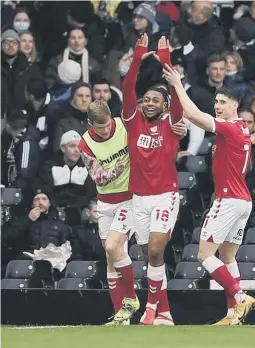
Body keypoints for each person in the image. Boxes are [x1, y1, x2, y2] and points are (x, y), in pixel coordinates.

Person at [163, 65, 255, 326]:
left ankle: (239, 297)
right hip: (242, 200)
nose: (217, 106)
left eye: (223, 102)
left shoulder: (230, 128)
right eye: (216, 101)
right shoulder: (241, 130)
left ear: (235, 105)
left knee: (204, 255)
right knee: (228, 257)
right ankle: (232, 316)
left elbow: (193, 115)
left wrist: (177, 84)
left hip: (228, 200)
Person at [122, 34, 183, 326]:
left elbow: (177, 93)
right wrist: (138, 58)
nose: (148, 103)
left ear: (165, 105)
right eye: (146, 99)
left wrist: (166, 60)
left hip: (164, 195)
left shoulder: (173, 124)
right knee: (150, 257)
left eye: (155, 100)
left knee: (157, 250)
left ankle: (150, 308)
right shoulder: (133, 121)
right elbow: (126, 90)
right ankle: (166, 312)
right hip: (139, 198)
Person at [79, 100, 137, 325]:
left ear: (112, 117)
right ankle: (120, 317)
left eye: (106, 125)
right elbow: (97, 176)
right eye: (98, 127)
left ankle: (131, 299)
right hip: (105, 202)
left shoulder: (124, 125)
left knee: (114, 246)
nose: (104, 131)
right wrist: (115, 170)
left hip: (129, 199)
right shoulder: (85, 143)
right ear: (89, 124)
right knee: (110, 256)